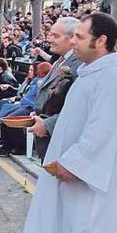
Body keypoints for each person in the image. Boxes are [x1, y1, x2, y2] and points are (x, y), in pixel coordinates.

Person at [12, 13, 117, 233]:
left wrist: (75, 164)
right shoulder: (96, 73)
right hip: (78, 172)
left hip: (90, 176)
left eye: (80, 37)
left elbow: (101, 131)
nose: (74, 43)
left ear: (101, 40)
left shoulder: (113, 78)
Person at [29, 17, 83, 158]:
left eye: (55, 36)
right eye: (50, 34)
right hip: (47, 138)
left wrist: (48, 124)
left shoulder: (78, 65)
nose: (50, 39)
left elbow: (77, 108)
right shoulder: (59, 61)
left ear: (72, 38)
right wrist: (38, 113)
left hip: (60, 139)